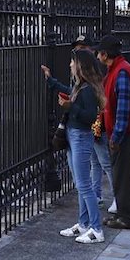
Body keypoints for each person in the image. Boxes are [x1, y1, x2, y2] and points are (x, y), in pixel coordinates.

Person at [41, 49, 106, 244]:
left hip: (80, 136)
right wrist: (51, 80)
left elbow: (88, 117)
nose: (70, 65)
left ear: (80, 66)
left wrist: (70, 107)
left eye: (72, 62)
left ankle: (96, 229)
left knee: (84, 185)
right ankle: (84, 223)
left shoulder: (87, 90)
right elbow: (69, 92)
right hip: (73, 135)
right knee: (80, 184)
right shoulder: (81, 87)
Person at [97, 34, 130, 231]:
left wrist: (116, 136)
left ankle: (128, 216)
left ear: (104, 54)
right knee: (120, 175)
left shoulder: (121, 72)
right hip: (122, 132)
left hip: (124, 134)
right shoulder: (117, 69)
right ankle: (122, 214)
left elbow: (123, 109)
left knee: (123, 175)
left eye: (99, 52)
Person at [72, 35, 114, 210]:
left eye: (83, 48)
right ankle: (97, 194)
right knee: (95, 162)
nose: (79, 52)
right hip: (93, 124)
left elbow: (95, 101)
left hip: (97, 123)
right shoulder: (83, 70)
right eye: (77, 49)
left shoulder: (94, 71)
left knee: (104, 161)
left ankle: (117, 195)